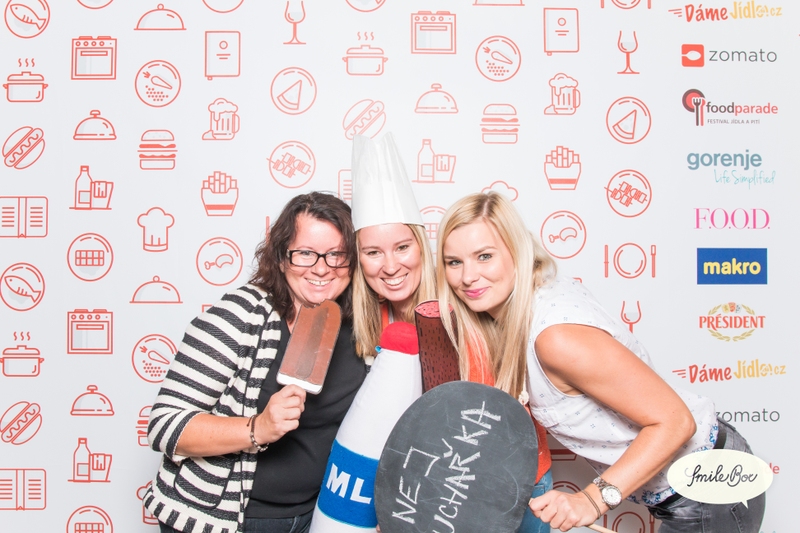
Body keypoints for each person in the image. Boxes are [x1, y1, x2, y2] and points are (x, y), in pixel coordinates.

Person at [436, 191, 766, 533]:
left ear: (517, 252)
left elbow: (675, 422)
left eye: (484, 256)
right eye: (454, 262)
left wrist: (592, 500)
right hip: (686, 488)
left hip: (709, 488)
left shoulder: (554, 338)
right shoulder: (526, 305)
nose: (468, 277)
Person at [143, 192, 367, 533]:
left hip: (314, 518)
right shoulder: (240, 315)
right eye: (305, 253)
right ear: (281, 258)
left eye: (337, 254)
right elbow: (165, 425)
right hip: (219, 517)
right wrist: (257, 428)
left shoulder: (359, 327)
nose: (322, 268)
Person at [350, 133, 436, 357]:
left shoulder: (456, 313)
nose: (390, 267)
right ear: (359, 259)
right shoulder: (359, 323)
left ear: (421, 247)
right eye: (373, 252)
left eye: (402, 248)